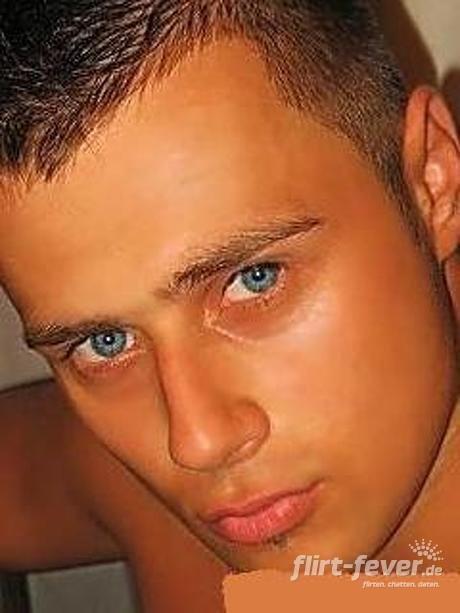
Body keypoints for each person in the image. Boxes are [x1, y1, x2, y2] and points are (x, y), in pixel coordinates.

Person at [0, 0, 459, 609]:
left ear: (434, 181)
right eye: (104, 341)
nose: (196, 442)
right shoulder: (132, 465)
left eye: (254, 279)